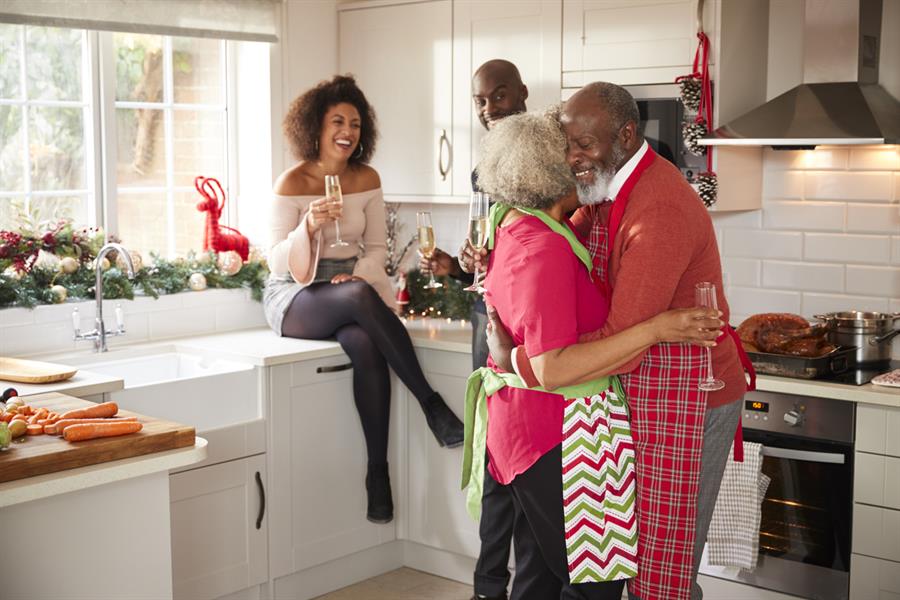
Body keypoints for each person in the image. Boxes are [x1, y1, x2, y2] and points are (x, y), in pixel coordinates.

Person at [486, 82, 752, 600]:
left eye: (584, 144)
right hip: (640, 391)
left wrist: (513, 358)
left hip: (688, 399)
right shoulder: (604, 190)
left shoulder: (659, 210)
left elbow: (619, 337)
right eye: (567, 145)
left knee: (662, 572)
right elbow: (561, 237)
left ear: (627, 135)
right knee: (631, 563)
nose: (573, 157)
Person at [263, 74, 465, 525]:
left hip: (352, 286)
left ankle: (378, 474)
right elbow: (275, 260)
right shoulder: (292, 183)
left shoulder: (366, 178)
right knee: (355, 299)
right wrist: (308, 227)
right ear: (314, 127)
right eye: (338, 121)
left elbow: (376, 250)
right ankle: (432, 405)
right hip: (296, 293)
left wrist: (356, 276)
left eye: (355, 123)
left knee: (363, 341)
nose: (348, 132)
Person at [418, 58, 528, 600]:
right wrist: (460, 262)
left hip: (529, 322)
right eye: (480, 101)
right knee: (492, 448)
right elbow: (485, 252)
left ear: (522, 93)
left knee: (525, 457)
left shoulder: (542, 157)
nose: (488, 110)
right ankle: (488, 586)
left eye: (498, 96)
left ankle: (526, 583)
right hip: (488, 318)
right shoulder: (482, 166)